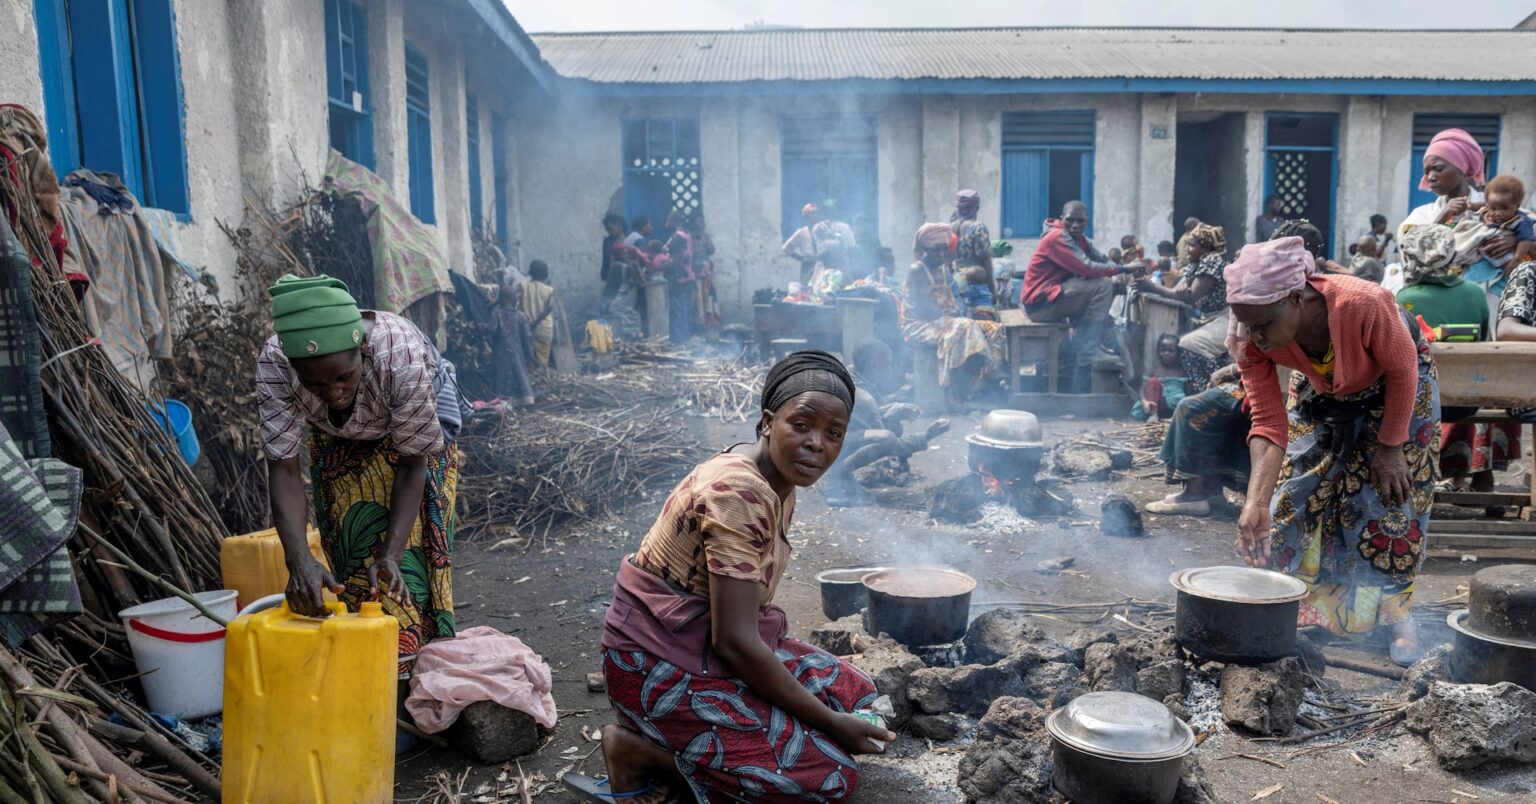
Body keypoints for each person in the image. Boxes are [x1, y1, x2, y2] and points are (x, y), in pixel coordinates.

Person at [583, 351, 894, 803]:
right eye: (801, 424)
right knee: (828, 776)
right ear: (768, 421)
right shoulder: (738, 490)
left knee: (854, 689)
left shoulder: (777, 478)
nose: (816, 444)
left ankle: (692, 740)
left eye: (833, 433)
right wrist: (829, 724)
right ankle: (642, 751)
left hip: (699, 644)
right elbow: (734, 641)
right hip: (654, 663)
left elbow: (738, 628)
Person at [1227, 236, 1439, 666]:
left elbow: (1402, 372)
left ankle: (1398, 620)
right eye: (1246, 325)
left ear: (1295, 297)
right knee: (1295, 498)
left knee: (1390, 504)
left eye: (1263, 325)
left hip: (1400, 388)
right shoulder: (1249, 337)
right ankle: (1301, 610)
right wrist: (1256, 501)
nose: (1254, 337)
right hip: (1324, 387)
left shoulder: (1364, 304)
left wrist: (1391, 448)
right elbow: (1269, 423)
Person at [257, 274, 462, 678]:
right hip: (339, 435)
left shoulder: (396, 353)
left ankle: (419, 673)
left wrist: (391, 553)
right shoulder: (274, 364)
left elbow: (412, 463)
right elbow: (283, 467)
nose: (332, 392)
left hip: (413, 441)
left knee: (410, 557)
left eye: (343, 377)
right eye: (313, 382)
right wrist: (297, 559)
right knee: (351, 550)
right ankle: (367, 671)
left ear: (361, 352)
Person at [1394, 224, 1516, 517]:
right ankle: (1483, 481)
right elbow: (1485, 344)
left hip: (1416, 404)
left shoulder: (1401, 299)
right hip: (1466, 401)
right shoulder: (1474, 294)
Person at [1021, 200, 1144, 392]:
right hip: (1040, 306)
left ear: (1087, 222)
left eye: (1080, 221)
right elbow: (1087, 266)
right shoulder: (1058, 237)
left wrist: (1121, 275)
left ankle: (1088, 346)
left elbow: (1101, 260)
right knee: (1103, 285)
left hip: (1050, 299)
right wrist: (1124, 268)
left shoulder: (1080, 241)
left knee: (1106, 283)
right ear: (1062, 219)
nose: (1075, 225)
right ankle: (1089, 350)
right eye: (1070, 220)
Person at [821, 340, 951, 506]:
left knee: (893, 425)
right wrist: (927, 436)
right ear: (874, 367)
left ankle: (842, 476)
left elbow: (861, 415)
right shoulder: (863, 399)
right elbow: (891, 445)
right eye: (887, 365)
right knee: (888, 436)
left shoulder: (852, 373)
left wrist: (896, 408)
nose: (890, 369)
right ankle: (835, 481)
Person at [904, 223, 1005, 405]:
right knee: (962, 328)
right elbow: (925, 310)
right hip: (919, 324)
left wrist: (959, 313)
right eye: (936, 250)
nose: (942, 255)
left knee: (993, 328)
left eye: (944, 249)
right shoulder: (917, 270)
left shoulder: (944, 269)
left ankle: (982, 383)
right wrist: (955, 317)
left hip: (947, 320)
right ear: (924, 249)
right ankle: (953, 392)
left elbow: (957, 297)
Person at [1135, 223, 1230, 392]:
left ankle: (1217, 389)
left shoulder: (1212, 261)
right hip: (1209, 319)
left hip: (1225, 317)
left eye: (1192, 245)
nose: (1186, 248)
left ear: (1205, 247)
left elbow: (1190, 296)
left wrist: (1151, 287)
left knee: (1189, 345)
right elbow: (1177, 292)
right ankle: (1208, 391)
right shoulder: (1195, 264)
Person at [490, 278, 537, 405]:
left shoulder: (497, 313)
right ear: (514, 299)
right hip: (517, 353)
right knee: (519, 374)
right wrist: (529, 355)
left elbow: (492, 329)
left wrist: (481, 327)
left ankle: (504, 402)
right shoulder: (520, 316)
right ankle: (524, 400)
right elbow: (527, 337)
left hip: (500, 354)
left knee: (502, 377)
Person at [1134, 334, 1188, 420]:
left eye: (1171, 351)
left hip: (1175, 408)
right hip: (1156, 407)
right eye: (1163, 350)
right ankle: (1153, 416)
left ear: (1178, 353)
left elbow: (1188, 392)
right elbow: (1142, 389)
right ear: (1157, 352)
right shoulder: (1154, 370)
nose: (1166, 353)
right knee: (1153, 381)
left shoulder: (1182, 371)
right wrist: (1144, 401)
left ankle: (1175, 418)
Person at [663, 210, 696, 344]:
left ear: (672, 221)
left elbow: (675, 259)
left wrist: (660, 266)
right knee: (685, 310)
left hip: (679, 278)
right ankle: (686, 338)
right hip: (688, 277)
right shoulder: (688, 235)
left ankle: (680, 341)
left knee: (678, 311)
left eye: (668, 220)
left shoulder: (677, 237)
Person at [952, 189, 994, 288]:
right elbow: (985, 258)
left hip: (957, 280)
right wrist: (992, 288)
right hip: (976, 280)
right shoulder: (978, 227)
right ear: (977, 208)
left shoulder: (950, 228)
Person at [519, 260, 557, 366]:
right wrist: (536, 322)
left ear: (530, 272)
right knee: (542, 360)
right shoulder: (549, 290)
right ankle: (542, 379)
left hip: (526, 327)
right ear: (546, 274)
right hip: (544, 329)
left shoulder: (523, 286)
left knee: (527, 358)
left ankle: (530, 380)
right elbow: (550, 306)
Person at [782, 204, 823, 285]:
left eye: (817, 213)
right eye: (813, 214)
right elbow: (786, 248)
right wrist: (801, 259)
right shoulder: (801, 233)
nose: (816, 216)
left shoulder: (824, 230)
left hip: (822, 265)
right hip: (808, 266)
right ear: (806, 217)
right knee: (806, 289)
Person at [600, 213, 626, 312]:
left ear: (619, 225)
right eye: (607, 230)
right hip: (611, 279)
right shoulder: (608, 242)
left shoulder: (629, 239)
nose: (609, 232)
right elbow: (607, 261)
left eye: (610, 229)